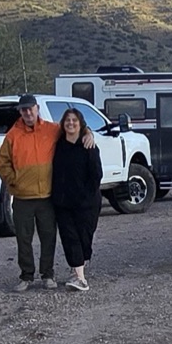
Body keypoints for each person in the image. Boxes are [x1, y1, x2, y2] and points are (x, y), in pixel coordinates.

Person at [0, 94, 65, 290]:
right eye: (23, 109)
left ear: (37, 108)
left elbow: (73, 131)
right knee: (23, 239)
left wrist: (88, 134)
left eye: (30, 108)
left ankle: (48, 275)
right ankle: (26, 276)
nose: (27, 112)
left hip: (48, 197)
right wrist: (13, 180)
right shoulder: (13, 135)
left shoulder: (52, 130)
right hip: (23, 197)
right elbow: (2, 163)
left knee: (49, 237)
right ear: (20, 111)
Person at [52, 107, 103, 292]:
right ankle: (80, 278)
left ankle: (78, 268)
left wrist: (89, 133)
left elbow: (96, 175)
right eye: (67, 120)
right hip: (62, 202)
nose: (70, 123)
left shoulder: (89, 146)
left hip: (87, 203)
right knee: (69, 238)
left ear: (81, 123)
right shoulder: (57, 144)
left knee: (83, 238)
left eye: (74, 120)